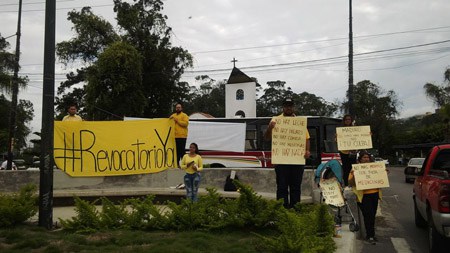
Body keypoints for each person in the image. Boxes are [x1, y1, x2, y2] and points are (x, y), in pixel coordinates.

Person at [264, 98, 311, 209]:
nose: (288, 108)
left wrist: (307, 151)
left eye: (290, 105)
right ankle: (282, 209)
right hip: (281, 161)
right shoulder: (275, 120)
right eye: (286, 106)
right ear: (283, 107)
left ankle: (295, 210)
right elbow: (266, 138)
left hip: (297, 160)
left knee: (296, 187)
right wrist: (270, 128)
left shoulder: (299, 122)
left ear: (293, 107)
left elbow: (307, 139)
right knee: (282, 187)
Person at [348, 151, 382, 245]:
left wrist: (384, 174)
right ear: (360, 159)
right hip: (363, 196)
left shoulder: (374, 167)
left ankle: (372, 234)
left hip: (374, 194)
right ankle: (370, 235)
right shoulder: (355, 169)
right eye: (364, 157)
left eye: (367, 157)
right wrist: (354, 176)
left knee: (372, 215)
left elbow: (380, 178)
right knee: (368, 215)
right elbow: (350, 183)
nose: (366, 159)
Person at [338, 114, 356, 186]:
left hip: (353, 152)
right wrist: (336, 137)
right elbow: (336, 140)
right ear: (344, 121)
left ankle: (353, 183)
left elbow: (361, 136)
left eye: (349, 119)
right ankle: (346, 184)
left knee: (353, 168)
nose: (348, 121)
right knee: (346, 169)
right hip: (344, 152)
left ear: (351, 121)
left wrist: (367, 134)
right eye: (346, 119)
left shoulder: (355, 129)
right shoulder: (340, 130)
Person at [169, 103, 189, 167]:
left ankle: (184, 164)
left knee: (182, 151)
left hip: (182, 136)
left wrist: (177, 120)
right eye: (177, 107)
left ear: (181, 108)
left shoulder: (184, 115)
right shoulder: (173, 115)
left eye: (179, 107)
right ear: (175, 108)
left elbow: (185, 124)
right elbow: (168, 121)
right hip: (174, 136)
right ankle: (177, 164)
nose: (178, 108)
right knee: (176, 151)